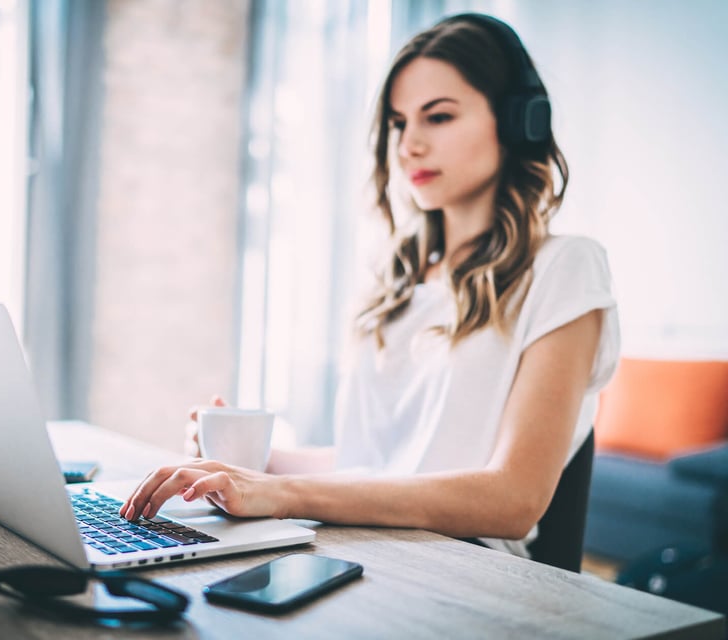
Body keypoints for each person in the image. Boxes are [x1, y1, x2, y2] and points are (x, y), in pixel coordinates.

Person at [120, 13, 620, 559]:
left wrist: (281, 493)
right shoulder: (396, 286)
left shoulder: (565, 268)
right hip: (365, 544)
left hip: (465, 566)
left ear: (519, 121)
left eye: (439, 117)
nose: (409, 146)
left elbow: (513, 498)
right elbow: (381, 467)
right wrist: (244, 466)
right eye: (399, 123)